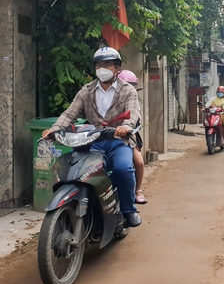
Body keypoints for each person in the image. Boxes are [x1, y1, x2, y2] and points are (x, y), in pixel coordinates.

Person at [42, 47, 142, 229]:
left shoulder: (128, 90)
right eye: (98, 65)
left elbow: (133, 113)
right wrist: (54, 129)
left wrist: (126, 127)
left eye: (107, 64)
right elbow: (69, 114)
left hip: (117, 141)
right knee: (79, 170)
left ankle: (128, 210)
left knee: (123, 168)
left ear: (117, 67)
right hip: (91, 141)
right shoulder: (86, 91)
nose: (102, 68)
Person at [118, 69, 147, 205]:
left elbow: (134, 119)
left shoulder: (133, 102)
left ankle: (138, 190)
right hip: (105, 136)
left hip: (128, 137)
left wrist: (127, 128)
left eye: (132, 85)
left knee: (139, 162)